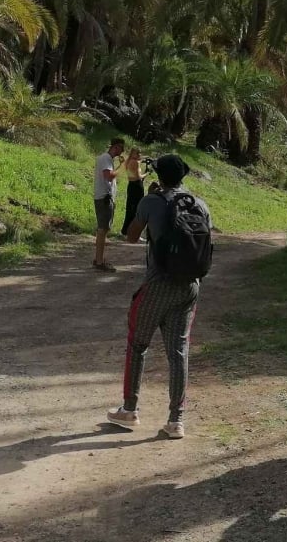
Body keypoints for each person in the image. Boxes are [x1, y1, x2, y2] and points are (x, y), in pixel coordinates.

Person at [107, 154, 210, 440]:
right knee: (178, 351)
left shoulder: (152, 201)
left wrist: (145, 199)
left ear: (158, 175)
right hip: (190, 286)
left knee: (138, 344)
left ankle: (129, 410)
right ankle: (176, 420)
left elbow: (130, 235)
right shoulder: (199, 204)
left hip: (157, 284)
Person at [92, 137, 127, 272]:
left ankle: (98, 258)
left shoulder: (106, 159)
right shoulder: (106, 158)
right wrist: (122, 166)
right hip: (104, 198)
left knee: (103, 229)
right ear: (116, 147)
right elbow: (109, 176)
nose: (122, 151)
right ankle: (100, 262)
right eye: (121, 148)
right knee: (102, 230)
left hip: (104, 197)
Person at [118, 147, 145, 239]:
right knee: (137, 209)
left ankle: (125, 231)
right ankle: (133, 233)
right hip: (137, 186)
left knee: (130, 208)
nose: (139, 155)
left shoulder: (128, 161)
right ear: (133, 153)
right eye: (137, 153)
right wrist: (147, 173)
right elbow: (138, 176)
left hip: (131, 185)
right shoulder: (135, 162)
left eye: (140, 153)